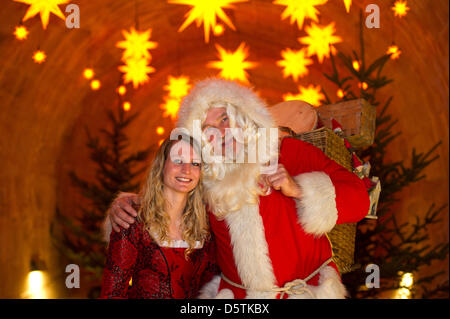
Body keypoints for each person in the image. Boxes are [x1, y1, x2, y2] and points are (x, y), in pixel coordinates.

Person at [107, 78, 370, 299]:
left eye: (224, 119)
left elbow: (360, 200)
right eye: (208, 130)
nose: (221, 133)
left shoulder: (290, 152)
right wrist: (128, 205)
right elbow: (166, 209)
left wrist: (299, 188)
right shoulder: (203, 182)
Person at [100, 134, 219, 299]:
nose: (187, 170)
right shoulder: (133, 219)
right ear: (162, 166)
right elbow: (112, 294)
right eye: (178, 160)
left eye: (195, 163)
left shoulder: (206, 226)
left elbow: (212, 287)